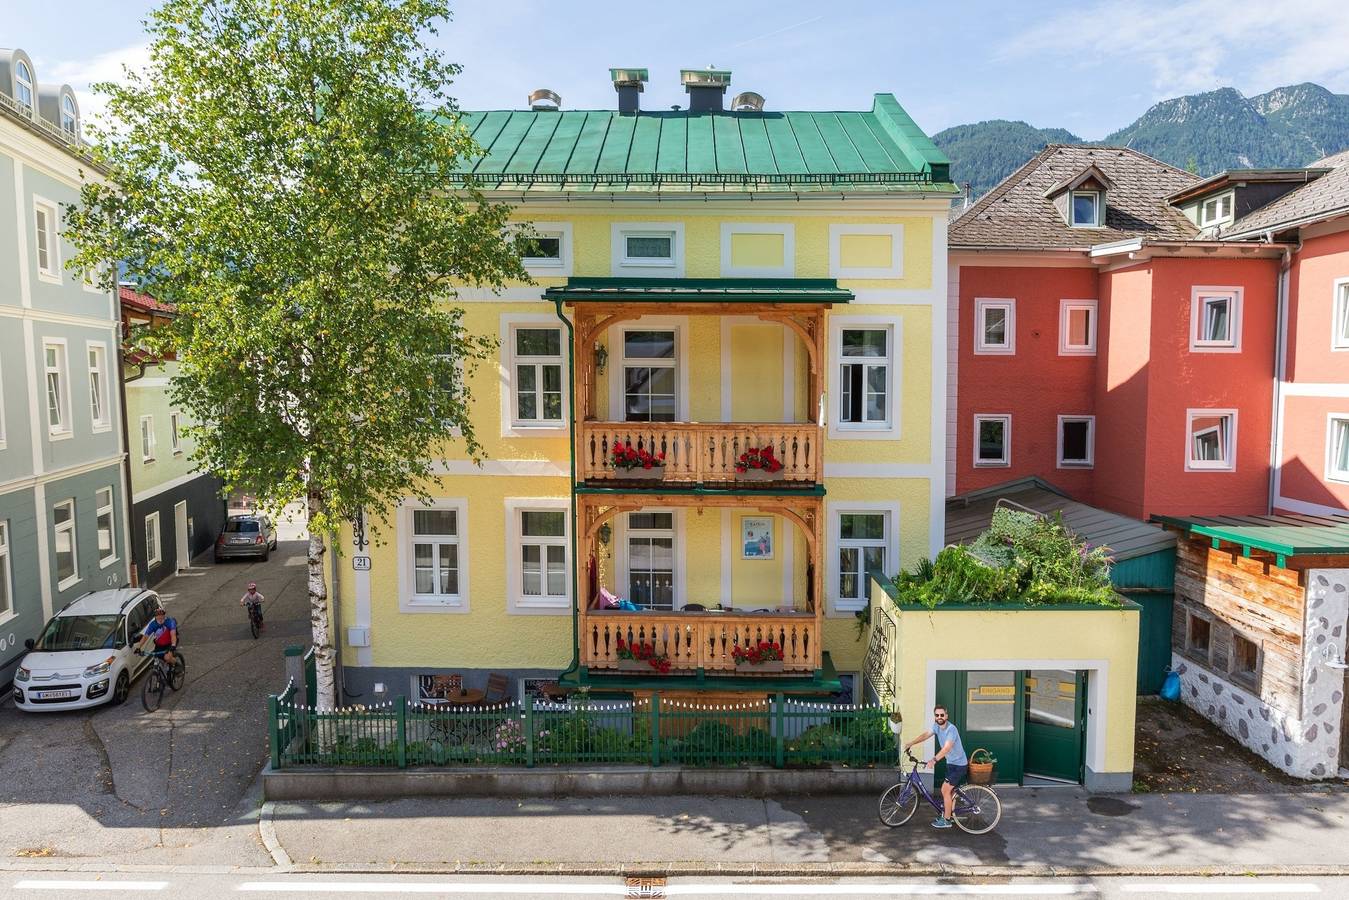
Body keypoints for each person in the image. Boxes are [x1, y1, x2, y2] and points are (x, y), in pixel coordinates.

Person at [902, 703, 968, 829]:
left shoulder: (951, 729)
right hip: (951, 764)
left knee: (944, 789)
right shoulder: (937, 727)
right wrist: (912, 743)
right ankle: (949, 814)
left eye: (942, 715)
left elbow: (947, 748)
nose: (939, 717)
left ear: (946, 715)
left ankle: (947, 820)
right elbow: (925, 735)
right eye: (937, 715)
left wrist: (934, 760)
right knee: (949, 791)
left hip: (959, 765)